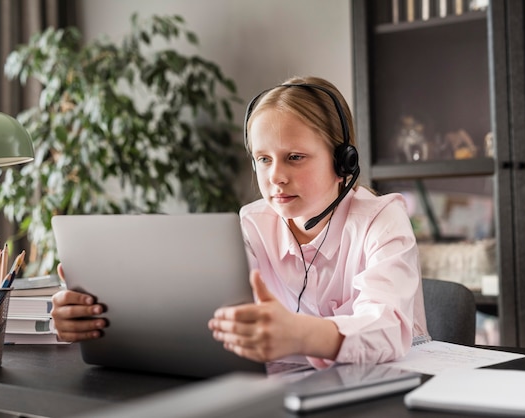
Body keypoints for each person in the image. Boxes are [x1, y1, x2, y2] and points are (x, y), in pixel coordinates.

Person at [51, 76, 428, 368]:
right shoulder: (253, 222)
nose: (276, 176)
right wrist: (100, 318)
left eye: (295, 157)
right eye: (263, 159)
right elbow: (203, 309)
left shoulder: (382, 218)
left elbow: (388, 328)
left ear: (342, 161)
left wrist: (301, 334)